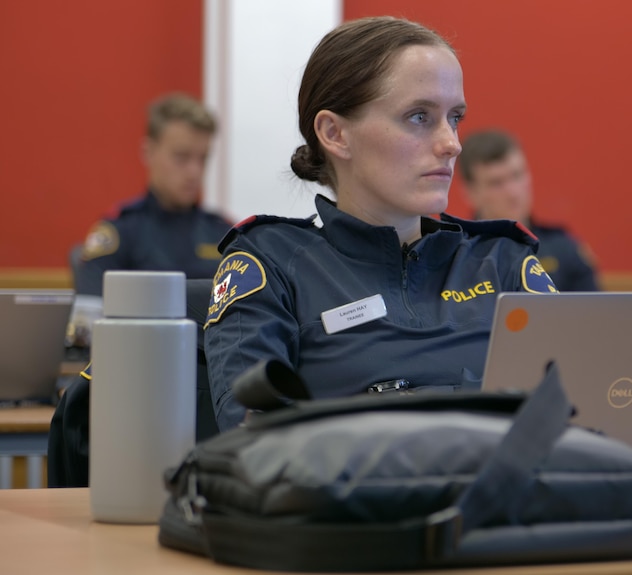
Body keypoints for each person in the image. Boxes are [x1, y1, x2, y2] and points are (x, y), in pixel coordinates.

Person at [204, 16, 558, 431]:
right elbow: (253, 440)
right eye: (419, 117)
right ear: (335, 134)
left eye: (455, 117)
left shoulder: (503, 261)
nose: (452, 143)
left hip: (510, 491)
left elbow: (586, 413)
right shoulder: (271, 264)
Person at [74, 93, 232, 296]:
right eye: (181, 157)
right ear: (148, 152)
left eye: (203, 158)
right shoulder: (120, 233)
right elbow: (91, 313)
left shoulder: (223, 235)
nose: (194, 171)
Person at [458, 130, 601, 292]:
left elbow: (596, 314)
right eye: (496, 183)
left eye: (517, 175)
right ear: (470, 193)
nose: (513, 193)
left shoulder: (563, 249)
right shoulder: (454, 257)